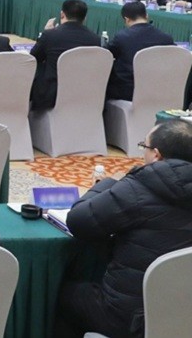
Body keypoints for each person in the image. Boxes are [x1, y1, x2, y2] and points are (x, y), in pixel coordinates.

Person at [53, 119, 192, 338]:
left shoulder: (139, 187)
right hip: (185, 316)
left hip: (131, 320)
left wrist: (106, 184)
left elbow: (79, 222)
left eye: (144, 146)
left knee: (68, 295)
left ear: (156, 155)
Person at [29, 0, 101, 110]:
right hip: (83, 91)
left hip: (53, 94)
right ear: (85, 18)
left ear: (62, 14)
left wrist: (45, 33)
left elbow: (33, 58)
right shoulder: (95, 39)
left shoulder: (50, 35)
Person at [106, 1, 176, 101]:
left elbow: (106, 55)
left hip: (128, 91)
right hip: (159, 89)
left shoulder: (122, 37)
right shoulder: (166, 38)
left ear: (126, 19)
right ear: (147, 16)